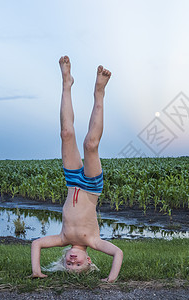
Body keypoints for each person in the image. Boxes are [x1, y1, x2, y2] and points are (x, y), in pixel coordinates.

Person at [30, 56, 123, 283]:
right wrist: (110, 280)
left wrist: (37, 270)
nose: (72, 260)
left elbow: (37, 244)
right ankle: (99, 92)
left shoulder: (62, 238)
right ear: (88, 260)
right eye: (78, 264)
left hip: (72, 181)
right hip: (91, 187)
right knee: (90, 145)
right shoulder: (94, 241)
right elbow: (118, 253)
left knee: (65, 134)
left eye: (68, 263)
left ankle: (66, 83)